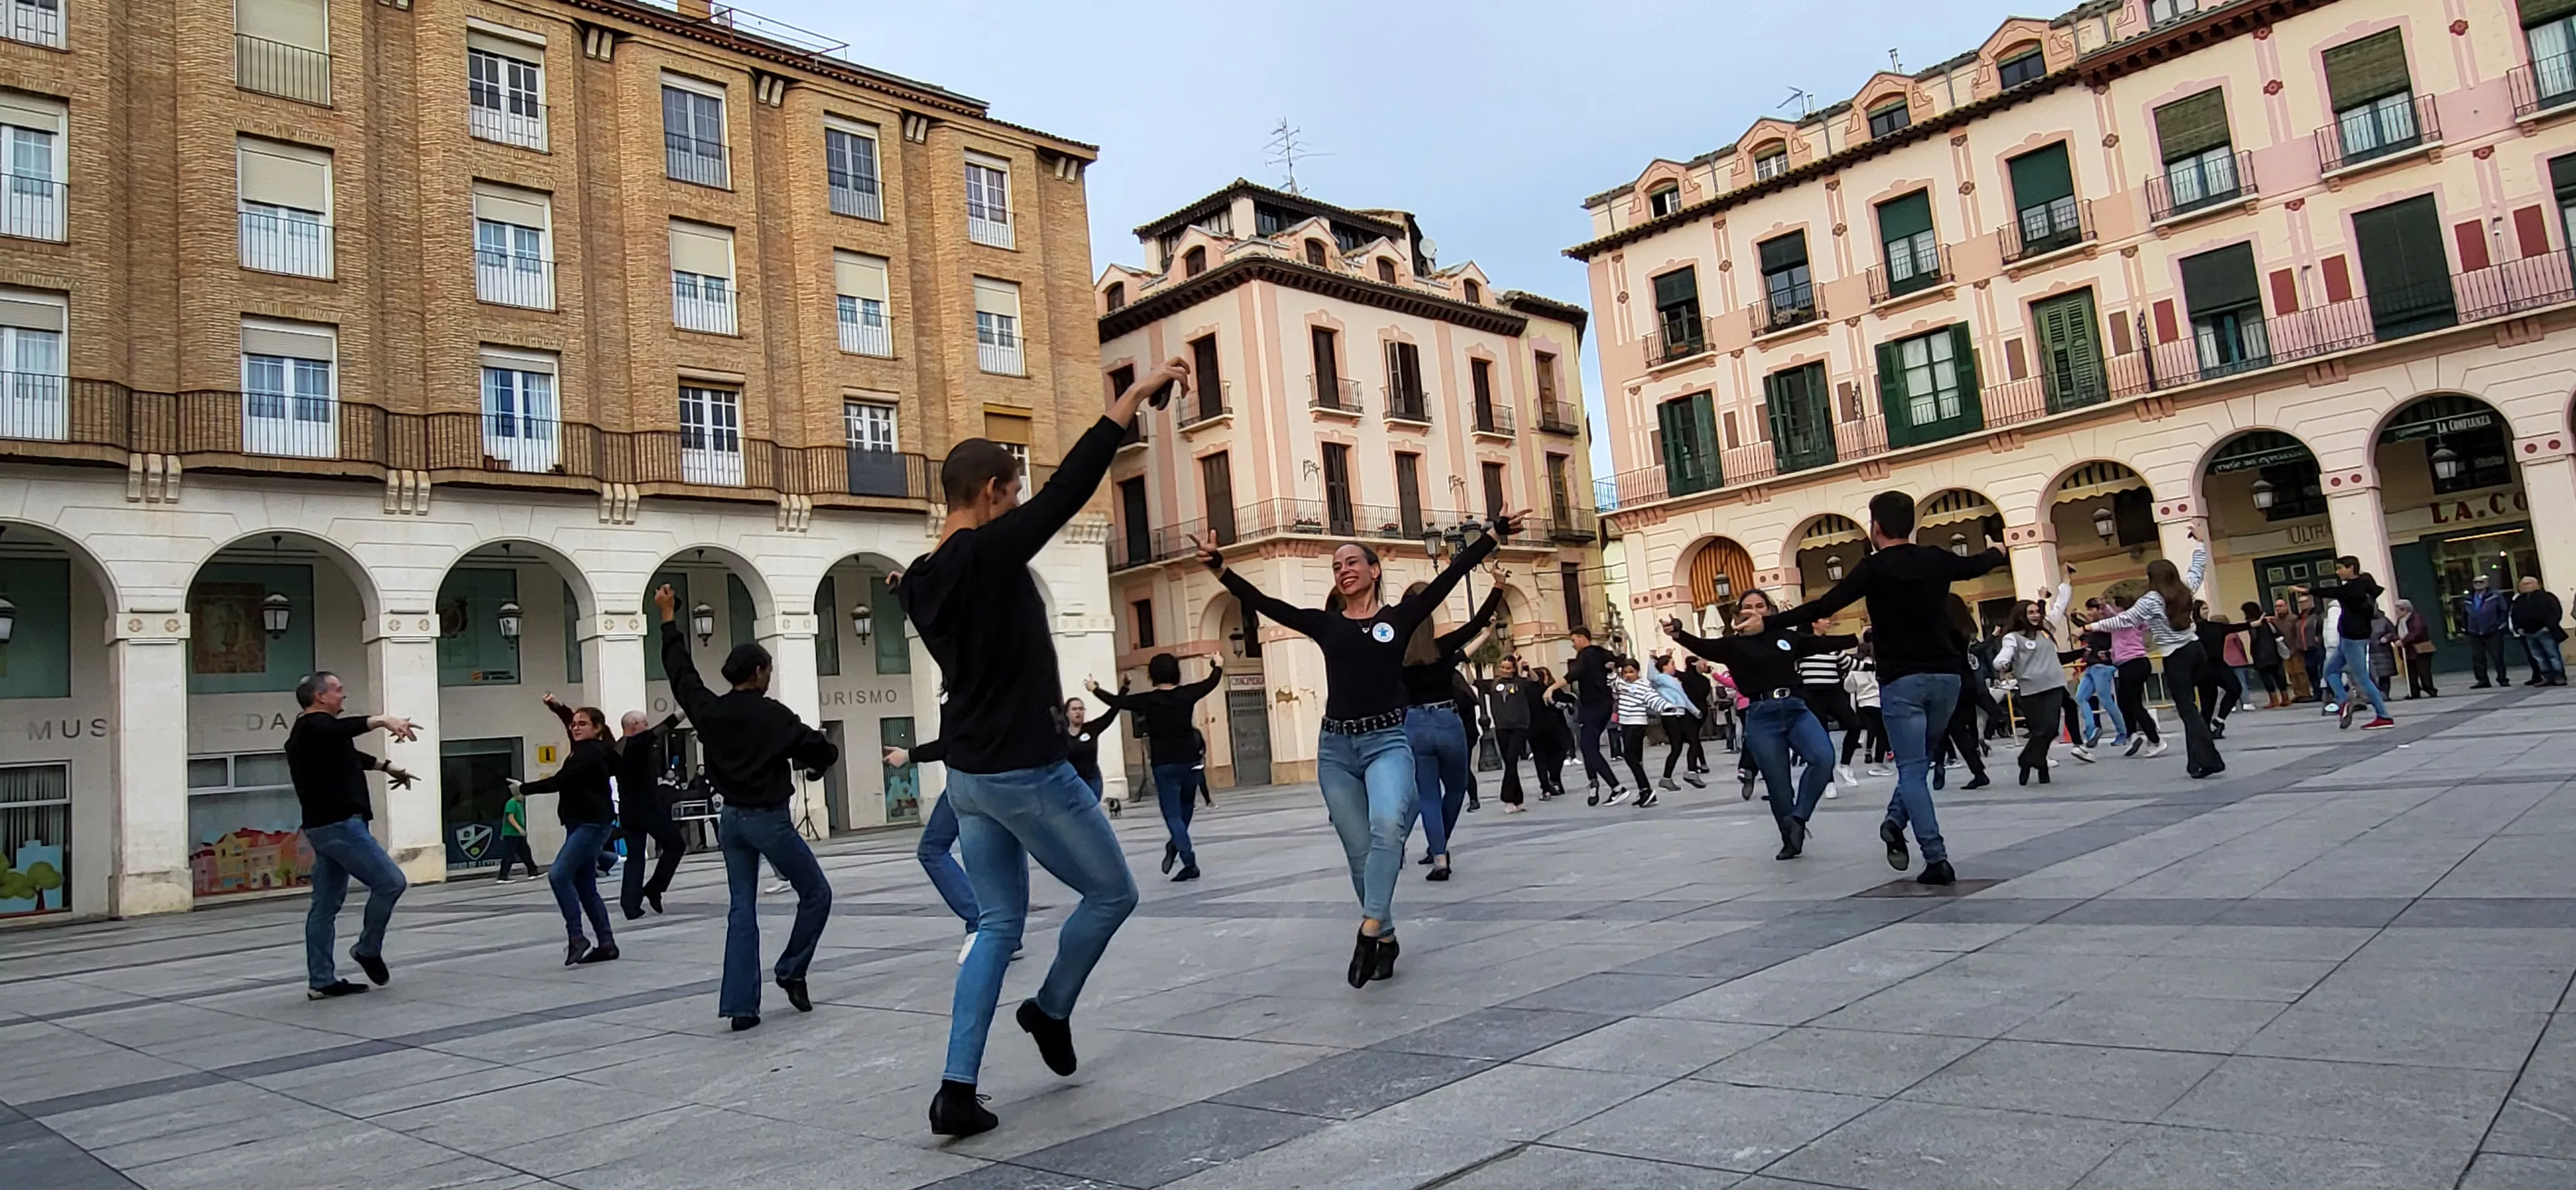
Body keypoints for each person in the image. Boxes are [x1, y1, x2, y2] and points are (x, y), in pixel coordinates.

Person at [902, 359, 1186, 1138]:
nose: (1022, 504)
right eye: (1014, 494)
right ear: (994, 492)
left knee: (996, 925)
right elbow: (1072, 486)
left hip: (967, 777)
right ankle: (1049, 1008)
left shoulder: (922, 577)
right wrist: (1131, 396)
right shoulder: (988, 553)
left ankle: (955, 1090)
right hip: (1025, 767)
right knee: (1113, 894)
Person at [1193, 511, 1517, 992]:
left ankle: (1367, 929)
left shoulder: (1400, 619)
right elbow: (1264, 602)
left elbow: (1450, 577)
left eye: (1352, 562)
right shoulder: (1327, 626)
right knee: (1359, 852)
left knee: (1388, 828)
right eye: (1337, 566)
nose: (1344, 569)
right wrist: (1220, 567)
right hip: (1336, 750)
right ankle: (1385, 936)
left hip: (1388, 741)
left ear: (1374, 570)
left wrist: (1492, 535)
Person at [1766, 491, 2007, 886]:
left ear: (1875, 525)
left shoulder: (1873, 569)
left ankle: (1937, 858)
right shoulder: (1935, 558)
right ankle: (1895, 822)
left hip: (1902, 680)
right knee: (1923, 760)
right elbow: (1975, 564)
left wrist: (1772, 624)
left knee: (1912, 768)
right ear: (1910, 524)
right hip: (1947, 677)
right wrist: (1997, 550)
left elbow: (1823, 607)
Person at [654, 583, 840, 1035]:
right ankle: (791, 969)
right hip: (768, 819)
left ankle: (741, 1006)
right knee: (816, 894)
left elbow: (682, 674)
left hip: (731, 819)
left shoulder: (709, 711)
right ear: (758, 672)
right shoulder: (774, 715)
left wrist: (667, 620)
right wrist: (811, 759)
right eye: (768, 671)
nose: (769, 677)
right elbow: (822, 751)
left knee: (742, 908)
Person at [1662, 595, 1852, 859]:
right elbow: (1702, 646)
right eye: (1747, 608)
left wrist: (1861, 638)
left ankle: (1799, 817)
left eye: (1760, 607)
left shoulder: (1786, 637)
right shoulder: (1732, 645)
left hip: (1796, 709)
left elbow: (1823, 643)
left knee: (1823, 758)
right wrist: (1678, 632)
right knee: (1779, 786)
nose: (1753, 611)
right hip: (1762, 715)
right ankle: (1791, 840)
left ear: (1770, 611)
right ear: (1738, 616)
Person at [285, 672, 417, 999]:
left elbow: (348, 755)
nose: (344, 696)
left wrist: (388, 767)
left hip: (324, 828)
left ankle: (321, 980)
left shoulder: (313, 735)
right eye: (338, 690)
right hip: (340, 826)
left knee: (324, 906)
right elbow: (340, 730)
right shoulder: (314, 726)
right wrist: (383, 719)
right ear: (320, 697)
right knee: (391, 883)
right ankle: (367, 949)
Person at [2087, 533, 2224, 777]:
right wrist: (2200, 543)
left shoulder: (2152, 600)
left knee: (2188, 710)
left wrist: (2093, 627)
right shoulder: (2185, 590)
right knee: (2194, 710)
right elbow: (2198, 569)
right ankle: (2196, 763)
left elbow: (2125, 619)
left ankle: (2211, 760)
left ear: (2152, 578)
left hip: (2176, 657)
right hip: (2197, 649)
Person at [1092, 655, 1224, 882]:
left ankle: (1189, 861)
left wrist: (1094, 688)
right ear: (1176, 672)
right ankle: (1176, 843)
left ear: (1152, 675)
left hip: (1165, 764)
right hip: (1191, 761)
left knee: (1173, 815)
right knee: (1186, 809)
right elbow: (1211, 682)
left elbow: (1116, 702)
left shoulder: (1148, 701)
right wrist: (1217, 664)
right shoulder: (1187, 694)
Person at [1402, 584, 1503, 878]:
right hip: (1447, 720)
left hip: (1415, 724)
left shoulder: (1397, 656)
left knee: (1428, 795)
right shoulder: (1442, 648)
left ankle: (1439, 859)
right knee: (1457, 788)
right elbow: (1476, 623)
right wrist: (1496, 586)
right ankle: (1441, 844)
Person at [515, 697, 622, 965]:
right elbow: (568, 721)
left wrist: (523, 790)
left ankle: (576, 937)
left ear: (598, 728)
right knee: (585, 885)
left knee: (559, 875)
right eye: (574, 724)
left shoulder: (592, 752)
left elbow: (563, 780)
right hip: (581, 822)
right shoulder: (584, 748)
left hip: (591, 823)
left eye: (582, 724)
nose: (575, 728)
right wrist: (558, 708)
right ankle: (606, 943)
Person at [1993, 573, 2078, 785]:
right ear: (2021, 615)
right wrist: (2001, 663)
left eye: (2037, 612)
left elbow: (2060, 606)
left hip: (2054, 686)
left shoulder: (2046, 630)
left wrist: (2066, 582)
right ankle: (2040, 766)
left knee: (2051, 729)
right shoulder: (2013, 637)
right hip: (2030, 690)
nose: (2036, 615)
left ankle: (2026, 758)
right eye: (2030, 612)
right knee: (2039, 731)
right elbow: (2004, 654)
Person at [2300, 558, 2398, 728]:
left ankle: (2384, 716)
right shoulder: (2358, 587)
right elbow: (2337, 591)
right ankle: (2344, 702)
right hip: (2348, 638)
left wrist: (2310, 590)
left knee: (2363, 678)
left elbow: (2336, 591)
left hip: (2354, 638)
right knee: (2330, 671)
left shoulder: (2356, 588)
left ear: (2351, 568)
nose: (2337, 572)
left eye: (2340, 569)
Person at [612, 710, 685, 919]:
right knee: (676, 845)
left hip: (627, 809)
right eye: (644, 723)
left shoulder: (618, 747)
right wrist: (685, 709)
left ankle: (630, 904)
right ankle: (655, 887)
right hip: (647, 808)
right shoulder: (637, 743)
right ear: (634, 725)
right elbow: (663, 728)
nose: (646, 726)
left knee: (635, 856)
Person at [1562, 627, 1623, 802]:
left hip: (1593, 707)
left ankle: (1615, 787)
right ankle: (1594, 783)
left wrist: (1552, 688)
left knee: (1589, 747)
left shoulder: (1585, 655)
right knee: (1589, 746)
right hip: (1602, 705)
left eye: (1573, 640)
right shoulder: (1601, 652)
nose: (1573, 645)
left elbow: (1572, 675)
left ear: (1582, 638)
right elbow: (1619, 659)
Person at [2106, 598, 2164, 757]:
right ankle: (2133, 735)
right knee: (2125, 702)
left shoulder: (2124, 619)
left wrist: (2104, 606)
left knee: (2133, 704)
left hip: (2132, 663)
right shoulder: (2135, 619)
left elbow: (2110, 617)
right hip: (2134, 664)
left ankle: (2156, 740)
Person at [1608, 659, 1671, 805]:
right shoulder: (1623, 685)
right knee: (1637, 759)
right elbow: (1614, 684)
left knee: (1630, 757)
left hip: (1636, 724)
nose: (1628, 675)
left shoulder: (1642, 685)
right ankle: (1644, 792)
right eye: (1625, 672)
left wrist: (1665, 707)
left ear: (1638, 672)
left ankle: (1646, 789)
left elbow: (1652, 698)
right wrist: (1611, 671)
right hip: (1626, 724)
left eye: (1631, 672)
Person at [1482, 656, 1537, 812]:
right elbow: (1474, 683)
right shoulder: (1494, 684)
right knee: (1510, 763)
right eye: (1503, 667)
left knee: (1512, 758)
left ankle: (1507, 797)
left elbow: (1536, 681)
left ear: (1514, 669)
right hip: (1502, 727)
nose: (1505, 671)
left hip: (1520, 725)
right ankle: (1518, 800)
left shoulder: (1520, 682)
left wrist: (1527, 668)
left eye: (1508, 668)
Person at [2190, 601, 2251, 735]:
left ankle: (2219, 720)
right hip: (2203, 670)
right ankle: (2206, 732)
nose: (2207, 611)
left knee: (2235, 688)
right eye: (2204, 609)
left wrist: (2253, 624)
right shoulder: (2192, 630)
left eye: (2207, 608)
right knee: (2208, 703)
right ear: (2196, 611)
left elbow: (2234, 628)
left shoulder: (2216, 627)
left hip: (2219, 665)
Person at [2070, 601, 2125, 749]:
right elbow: (2086, 631)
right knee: (2081, 697)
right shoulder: (2095, 628)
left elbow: (2090, 629)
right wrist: (2075, 617)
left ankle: (2122, 733)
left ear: (2100, 610)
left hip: (2102, 667)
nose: (2089, 614)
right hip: (2091, 666)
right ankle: (2092, 729)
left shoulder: (2105, 625)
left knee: (2106, 700)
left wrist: (2082, 623)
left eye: (2091, 610)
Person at [1649, 655, 1706, 791]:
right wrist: (1652, 659)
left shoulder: (1674, 681)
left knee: (1693, 742)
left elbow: (1684, 698)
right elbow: (1651, 675)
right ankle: (1667, 778)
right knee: (1677, 747)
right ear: (1664, 666)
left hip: (1681, 713)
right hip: (1671, 715)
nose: (1674, 667)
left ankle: (1691, 772)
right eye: (1672, 664)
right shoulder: (1660, 679)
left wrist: (1695, 711)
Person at [1839, 638, 1885, 786]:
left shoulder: (1855, 669)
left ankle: (1866, 752)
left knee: (1868, 731)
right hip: (1879, 702)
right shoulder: (1879, 666)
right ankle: (1878, 763)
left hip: (1863, 704)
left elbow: (1848, 688)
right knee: (1882, 734)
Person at [1525, 664, 1573, 800]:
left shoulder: (1527, 691)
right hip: (1553, 728)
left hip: (1534, 730)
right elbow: (1568, 700)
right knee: (1557, 755)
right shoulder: (1549, 691)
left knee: (1540, 760)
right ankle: (1555, 781)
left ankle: (1546, 786)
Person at [2461, 575, 2515, 688]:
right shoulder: (2468, 598)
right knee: (2477, 657)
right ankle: (2482, 680)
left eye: (2481, 582)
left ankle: (2502, 678)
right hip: (2474, 632)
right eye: (2475, 582)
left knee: (2497, 656)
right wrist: (2465, 628)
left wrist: (2500, 625)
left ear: (2486, 583)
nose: (2478, 584)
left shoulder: (2495, 596)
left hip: (2493, 631)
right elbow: (2464, 614)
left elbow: (2503, 611)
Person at [2512, 574, 2567, 685]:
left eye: (2527, 584)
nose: (2524, 587)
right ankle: (2546, 677)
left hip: (2545, 632)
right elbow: (2514, 615)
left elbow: (2556, 612)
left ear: (2537, 585)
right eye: (2522, 585)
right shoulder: (2519, 600)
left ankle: (2559, 676)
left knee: (2553, 655)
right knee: (2538, 657)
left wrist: (2548, 627)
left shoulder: (2547, 597)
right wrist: (2518, 628)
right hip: (2528, 634)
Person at [2245, 601, 2290, 709]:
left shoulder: (2253, 623)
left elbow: (2255, 638)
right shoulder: (2267, 621)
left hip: (2261, 654)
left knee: (2266, 677)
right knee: (2279, 675)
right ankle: (2285, 698)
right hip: (2273, 652)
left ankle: (2273, 700)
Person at [1676, 657, 1716, 778]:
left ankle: (1692, 767)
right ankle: (1702, 763)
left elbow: (1674, 672)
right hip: (1703, 711)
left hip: (1691, 712)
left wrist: (1655, 659)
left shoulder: (1687, 678)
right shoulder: (1704, 680)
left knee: (1693, 740)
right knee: (1694, 738)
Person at [2392, 599, 2438, 699]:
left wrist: (2403, 641)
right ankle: (2414, 691)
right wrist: (2396, 639)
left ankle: (2429, 689)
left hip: (2419, 649)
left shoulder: (2416, 618)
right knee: (2410, 672)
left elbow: (2417, 632)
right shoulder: (2400, 621)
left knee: (2423, 671)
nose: (2396, 613)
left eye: (2398, 610)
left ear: (2405, 610)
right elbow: (2395, 632)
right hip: (2407, 650)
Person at [495, 784, 536, 883]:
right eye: (523, 795)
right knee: (509, 855)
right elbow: (510, 817)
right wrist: (520, 829)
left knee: (526, 853)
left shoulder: (518, 804)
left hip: (517, 835)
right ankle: (503, 876)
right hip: (512, 834)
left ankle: (533, 872)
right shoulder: (512, 803)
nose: (524, 797)